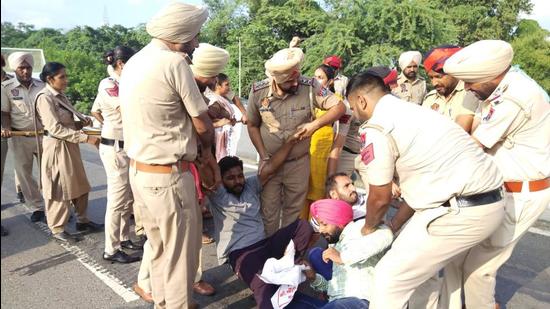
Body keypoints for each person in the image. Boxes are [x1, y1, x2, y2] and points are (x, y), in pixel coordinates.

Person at [345, 71, 506, 309]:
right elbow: (425, 182)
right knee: (421, 275)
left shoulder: (377, 126)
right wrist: (394, 225)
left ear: (361, 100)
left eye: (353, 108)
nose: (355, 115)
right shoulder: (418, 113)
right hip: (486, 203)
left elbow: (380, 197)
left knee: (388, 278)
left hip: (458, 211)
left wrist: (369, 228)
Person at [119, 2, 217, 308]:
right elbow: (202, 122)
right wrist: (208, 145)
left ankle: (163, 302)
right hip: (169, 176)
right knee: (181, 258)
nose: (197, 41)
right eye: (195, 35)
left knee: (160, 249)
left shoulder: (135, 62)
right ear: (182, 33)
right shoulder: (174, 63)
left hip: (140, 172)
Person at [442, 39, 550, 309]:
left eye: (471, 83)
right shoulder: (502, 85)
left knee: (480, 270)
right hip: (498, 190)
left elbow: (473, 146)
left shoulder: (514, 96)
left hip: (519, 195)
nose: (466, 88)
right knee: (455, 257)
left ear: (491, 75)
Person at [247, 47, 346, 236]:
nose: (295, 83)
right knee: (269, 212)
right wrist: (263, 156)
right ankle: (269, 254)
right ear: (276, 79)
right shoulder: (258, 91)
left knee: (293, 212)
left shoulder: (310, 86)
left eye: (296, 77)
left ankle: (287, 253)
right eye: (289, 81)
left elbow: (340, 107)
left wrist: (315, 124)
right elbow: (252, 125)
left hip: (298, 164)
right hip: (271, 163)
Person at [207, 146, 318, 309]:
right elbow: (207, 174)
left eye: (240, 176)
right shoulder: (219, 195)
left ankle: (293, 262)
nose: (237, 181)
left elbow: (272, 167)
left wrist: (292, 141)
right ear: (221, 180)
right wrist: (204, 154)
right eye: (231, 178)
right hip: (241, 254)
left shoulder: (251, 185)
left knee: (303, 226)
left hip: (266, 244)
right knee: (264, 286)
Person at [35, 62, 103, 242]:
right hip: (57, 147)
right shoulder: (45, 98)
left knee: (80, 183)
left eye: (66, 76)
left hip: (69, 144)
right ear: (50, 79)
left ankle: (82, 220)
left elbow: (67, 122)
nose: (66, 80)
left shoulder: (60, 96)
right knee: (59, 188)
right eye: (62, 77)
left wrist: (81, 123)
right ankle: (57, 228)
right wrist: (85, 138)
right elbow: (55, 129)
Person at [91, 46, 142, 264]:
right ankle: (111, 249)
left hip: (126, 146)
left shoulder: (123, 83)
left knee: (127, 198)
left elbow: (95, 109)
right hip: (115, 147)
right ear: (121, 64)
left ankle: (123, 238)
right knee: (116, 199)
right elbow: (126, 107)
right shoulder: (108, 84)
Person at [303, 199, 394, 308]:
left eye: (324, 224)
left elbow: (386, 235)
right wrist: (314, 278)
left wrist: (342, 257)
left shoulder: (358, 228)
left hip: (359, 300)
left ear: (339, 222)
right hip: (335, 301)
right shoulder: (335, 244)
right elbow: (334, 290)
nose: (321, 230)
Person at [330, 66, 398, 192]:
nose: (389, 91)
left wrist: (391, 179)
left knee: (379, 192)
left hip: (370, 154)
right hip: (348, 153)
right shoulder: (349, 108)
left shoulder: (391, 107)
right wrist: (331, 180)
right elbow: (338, 144)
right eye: (386, 87)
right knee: (341, 193)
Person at [1, 52, 46, 222]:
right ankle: (37, 207)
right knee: (24, 174)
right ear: (15, 69)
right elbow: (5, 113)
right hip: (20, 137)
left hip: (43, 135)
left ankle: (55, 206)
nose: (25, 71)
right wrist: (6, 127)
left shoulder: (42, 85)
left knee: (49, 173)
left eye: (28, 68)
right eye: (21, 68)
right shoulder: (6, 88)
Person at [304, 64, 339, 218]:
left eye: (320, 78)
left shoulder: (337, 103)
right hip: (305, 150)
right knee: (301, 194)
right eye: (315, 77)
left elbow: (339, 136)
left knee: (316, 195)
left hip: (322, 154)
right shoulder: (308, 97)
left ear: (330, 81)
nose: (316, 80)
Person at [422, 45, 480, 133]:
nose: (434, 83)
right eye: (431, 78)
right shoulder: (430, 98)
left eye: (439, 77)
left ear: (453, 72)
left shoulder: (470, 93)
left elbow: (461, 131)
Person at [205, 73, 237, 161]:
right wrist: (220, 123)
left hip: (223, 140)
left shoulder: (221, 99)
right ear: (218, 86)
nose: (229, 87)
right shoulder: (215, 102)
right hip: (215, 142)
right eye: (226, 84)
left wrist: (230, 121)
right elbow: (205, 123)